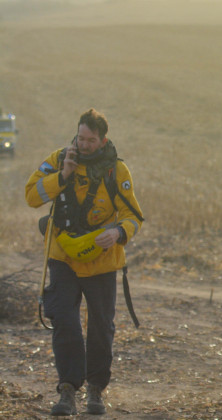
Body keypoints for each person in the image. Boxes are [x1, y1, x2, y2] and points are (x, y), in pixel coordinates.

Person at [25, 108, 144, 416]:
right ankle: (67, 389)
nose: (84, 145)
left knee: (101, 328)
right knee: (64, 321)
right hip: (62, 256)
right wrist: (62, 175)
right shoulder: (58, 159)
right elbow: (31, 196)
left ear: (103, 140)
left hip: (102, 261)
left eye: (91, 140)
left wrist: (118, 232)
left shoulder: (117, 171)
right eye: (81, 138)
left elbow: (133, 216)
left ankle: (95, 389)